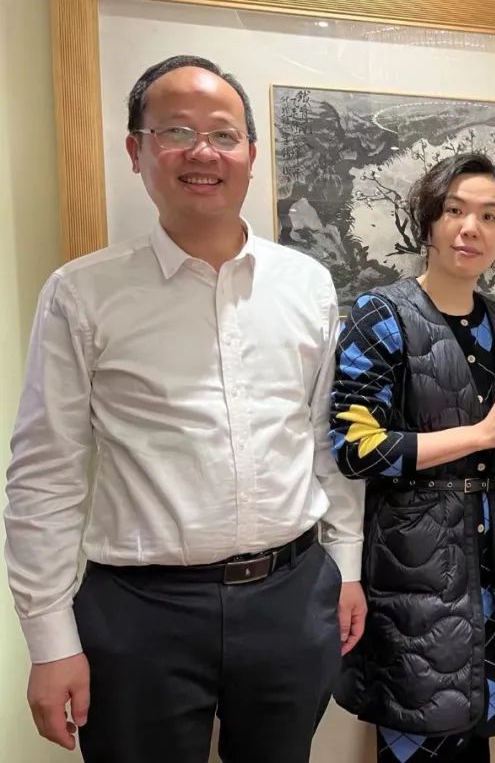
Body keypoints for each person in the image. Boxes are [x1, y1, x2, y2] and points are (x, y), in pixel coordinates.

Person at [3, 54, 365, 763]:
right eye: (176, 131)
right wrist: (49, 641)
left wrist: (345, 567)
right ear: (136, 150)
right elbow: (45, 475)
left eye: (223, 134)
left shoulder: (307, 284)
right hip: (141, 612)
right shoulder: (84, 294)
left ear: (251, 155)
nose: (203, 152)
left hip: (293, 596)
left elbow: (326, 438)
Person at [330, 152, 495, 763]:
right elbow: (355, 447)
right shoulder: (382, 314)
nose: (470, 228)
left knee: (476, 731)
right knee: (418, 728)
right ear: (428, 219)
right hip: (414, 570)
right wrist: (480, 435)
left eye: (490, 215)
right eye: (455, 210)